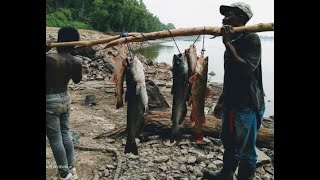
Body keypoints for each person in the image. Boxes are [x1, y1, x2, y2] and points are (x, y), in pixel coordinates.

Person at [202, 2, 265, 180]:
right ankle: (226, 175)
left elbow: (245, 70)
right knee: (228, 142)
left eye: (230, 15)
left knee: (246, 151)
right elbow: (231, 76)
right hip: (231, 103)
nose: (224, 18)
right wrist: (222, 99)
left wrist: (228, 44)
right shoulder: (233, 40)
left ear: (242, 18)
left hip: (247, 105)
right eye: (225, 15)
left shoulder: (251, 38)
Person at [46, 27, 82, 180]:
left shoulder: (49, 58)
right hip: (65, 98)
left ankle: (64, 174)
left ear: (59, 40)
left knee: (55, 139)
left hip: (50, 101)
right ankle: (71, 168)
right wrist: (73, 60)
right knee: (65, 134)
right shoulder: (76, 61)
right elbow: (77, 80)